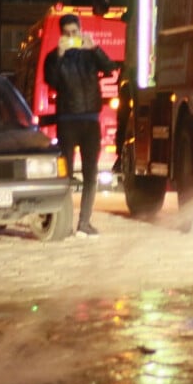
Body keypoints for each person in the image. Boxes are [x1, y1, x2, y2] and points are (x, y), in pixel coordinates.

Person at [43, 14, 116, 237]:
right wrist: (59, 55)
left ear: (81, 31)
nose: (71, 36)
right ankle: (63, 223)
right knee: (64, 175)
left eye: (75, 32)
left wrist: (94, 48)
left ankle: (84, 222)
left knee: (90, 174)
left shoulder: (89, 55)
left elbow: (110, 68)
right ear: (61, 34)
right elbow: (51, 80)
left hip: (90, 121)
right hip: (67, 121)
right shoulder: (54, 57)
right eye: (67, 33)